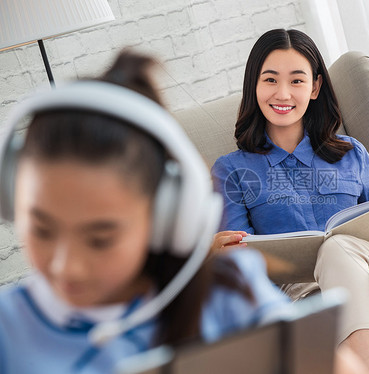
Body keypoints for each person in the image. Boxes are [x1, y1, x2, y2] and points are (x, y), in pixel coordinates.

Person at [0, 51, 290, 373]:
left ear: (167, 216)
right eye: (42, 230)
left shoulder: (230, 295)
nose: (67, 267)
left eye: (99, 239)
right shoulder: (7, 328)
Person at [212, 29, 369, 374]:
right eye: (270, 80)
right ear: (255, 86)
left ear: (314, 87)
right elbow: (243, 263)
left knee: (362, 257)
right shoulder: (231, 170)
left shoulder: (351, 153)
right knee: (352, 256)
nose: (282, 93)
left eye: (296, 80)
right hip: (304, 299)